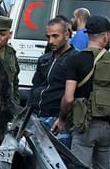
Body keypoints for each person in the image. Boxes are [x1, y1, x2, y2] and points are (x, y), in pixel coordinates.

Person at [55, 16, 110, 169]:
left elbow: (68, 98)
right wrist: (106, 97)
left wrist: (61, 120)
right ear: (106, 37)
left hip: (83, 127)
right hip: (106, 127)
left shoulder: (74, 60)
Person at [29, 16, 76, 145]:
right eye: (48, 37)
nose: (51, 41)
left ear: (66, 35)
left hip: (57, 119)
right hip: (35, 117)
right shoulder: (44, 59)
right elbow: (35, 87)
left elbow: (72, 95)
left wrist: (62, 118)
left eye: (55, 36)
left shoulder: (75, 59)